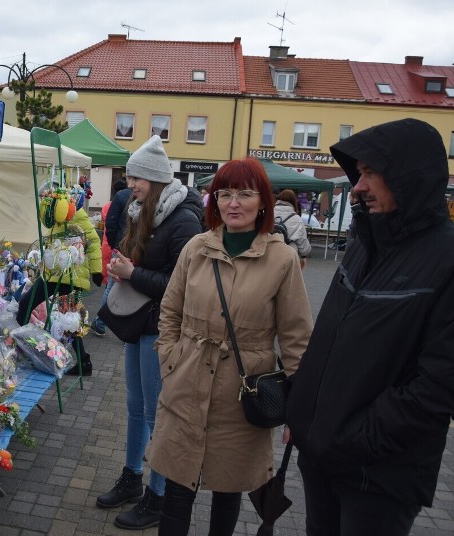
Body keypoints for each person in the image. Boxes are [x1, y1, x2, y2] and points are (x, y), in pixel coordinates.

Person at [285, 118, 454, 536]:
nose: (358, 186)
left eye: (371, 173)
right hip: (321, 456)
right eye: (358, 173)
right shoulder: (365, 242)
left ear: (408, 176)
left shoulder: (446, 260)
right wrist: (302, 410)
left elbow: (436, 389)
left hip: (378, 476)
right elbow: (328, 336)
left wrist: (352, 439)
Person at [145, 157, 312, 535]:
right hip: (186, 381)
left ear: (263, 202)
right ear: (214, 200)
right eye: (225, 194)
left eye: (244, 194)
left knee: (228, 487)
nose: (233, 203)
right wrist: (169, 358)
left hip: (243, 391)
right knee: (176, 484)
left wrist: (299, 402)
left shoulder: (281, 259)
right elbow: (170, 309)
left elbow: (296, 336)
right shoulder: (196, 248)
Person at [97, 135, 203, 530]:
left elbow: (185, 285)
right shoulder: (140, 210)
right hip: (138, 322)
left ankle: (159, 496)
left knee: (158, 413)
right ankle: (131, 478)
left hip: (161, 329)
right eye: (128, 176)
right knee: (135, 407)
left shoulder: (185, 219)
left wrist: (132, 274)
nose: (129, 184)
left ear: (155, 178)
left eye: (135, 177)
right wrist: (124, 263)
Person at [16, 185, 102, 376]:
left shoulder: (75, 213)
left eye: (46, 198)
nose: (43, 203)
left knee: (69, 320)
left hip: (71, 276)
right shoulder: (53, 216)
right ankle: (26, 348)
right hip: (51, 275)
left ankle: (83, 362)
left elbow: (93, 241)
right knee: (25, 305)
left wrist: (96, 270)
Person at [90, 179, 131, 337]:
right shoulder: (150, 195)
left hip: (119, 248)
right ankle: (120, 327)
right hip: (132, 249)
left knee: (112, 288)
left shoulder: (119, 198)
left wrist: (116, 247)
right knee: (126, 289)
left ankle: (101, 323)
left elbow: (111, 226)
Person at [274, 188, 312, 268]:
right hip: (288, 260)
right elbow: (303, 244)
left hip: (268, 256)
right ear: (293, 201)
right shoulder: (296, 219)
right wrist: (304, 256)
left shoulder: (269, 213)